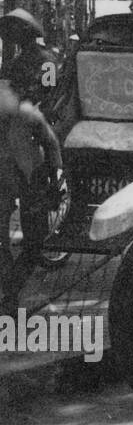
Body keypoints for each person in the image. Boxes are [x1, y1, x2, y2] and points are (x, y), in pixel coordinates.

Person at [0, 79, 66, 315]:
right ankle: (9, 293)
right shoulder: (27, 114)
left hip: (27, 181)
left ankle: (9, 291)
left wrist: (53, 180)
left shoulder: (27, 115)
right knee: (31, 245)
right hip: (25, 182)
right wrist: (54, 181)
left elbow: (51, 146)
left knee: (19, 244)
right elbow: (51, 146)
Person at [0, 8, 56, 115]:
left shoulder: (47, 61)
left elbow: (49, 94)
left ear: (27, 31)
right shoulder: (16, 62)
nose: (13, 31)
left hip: (38, 115)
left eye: (16, 27)